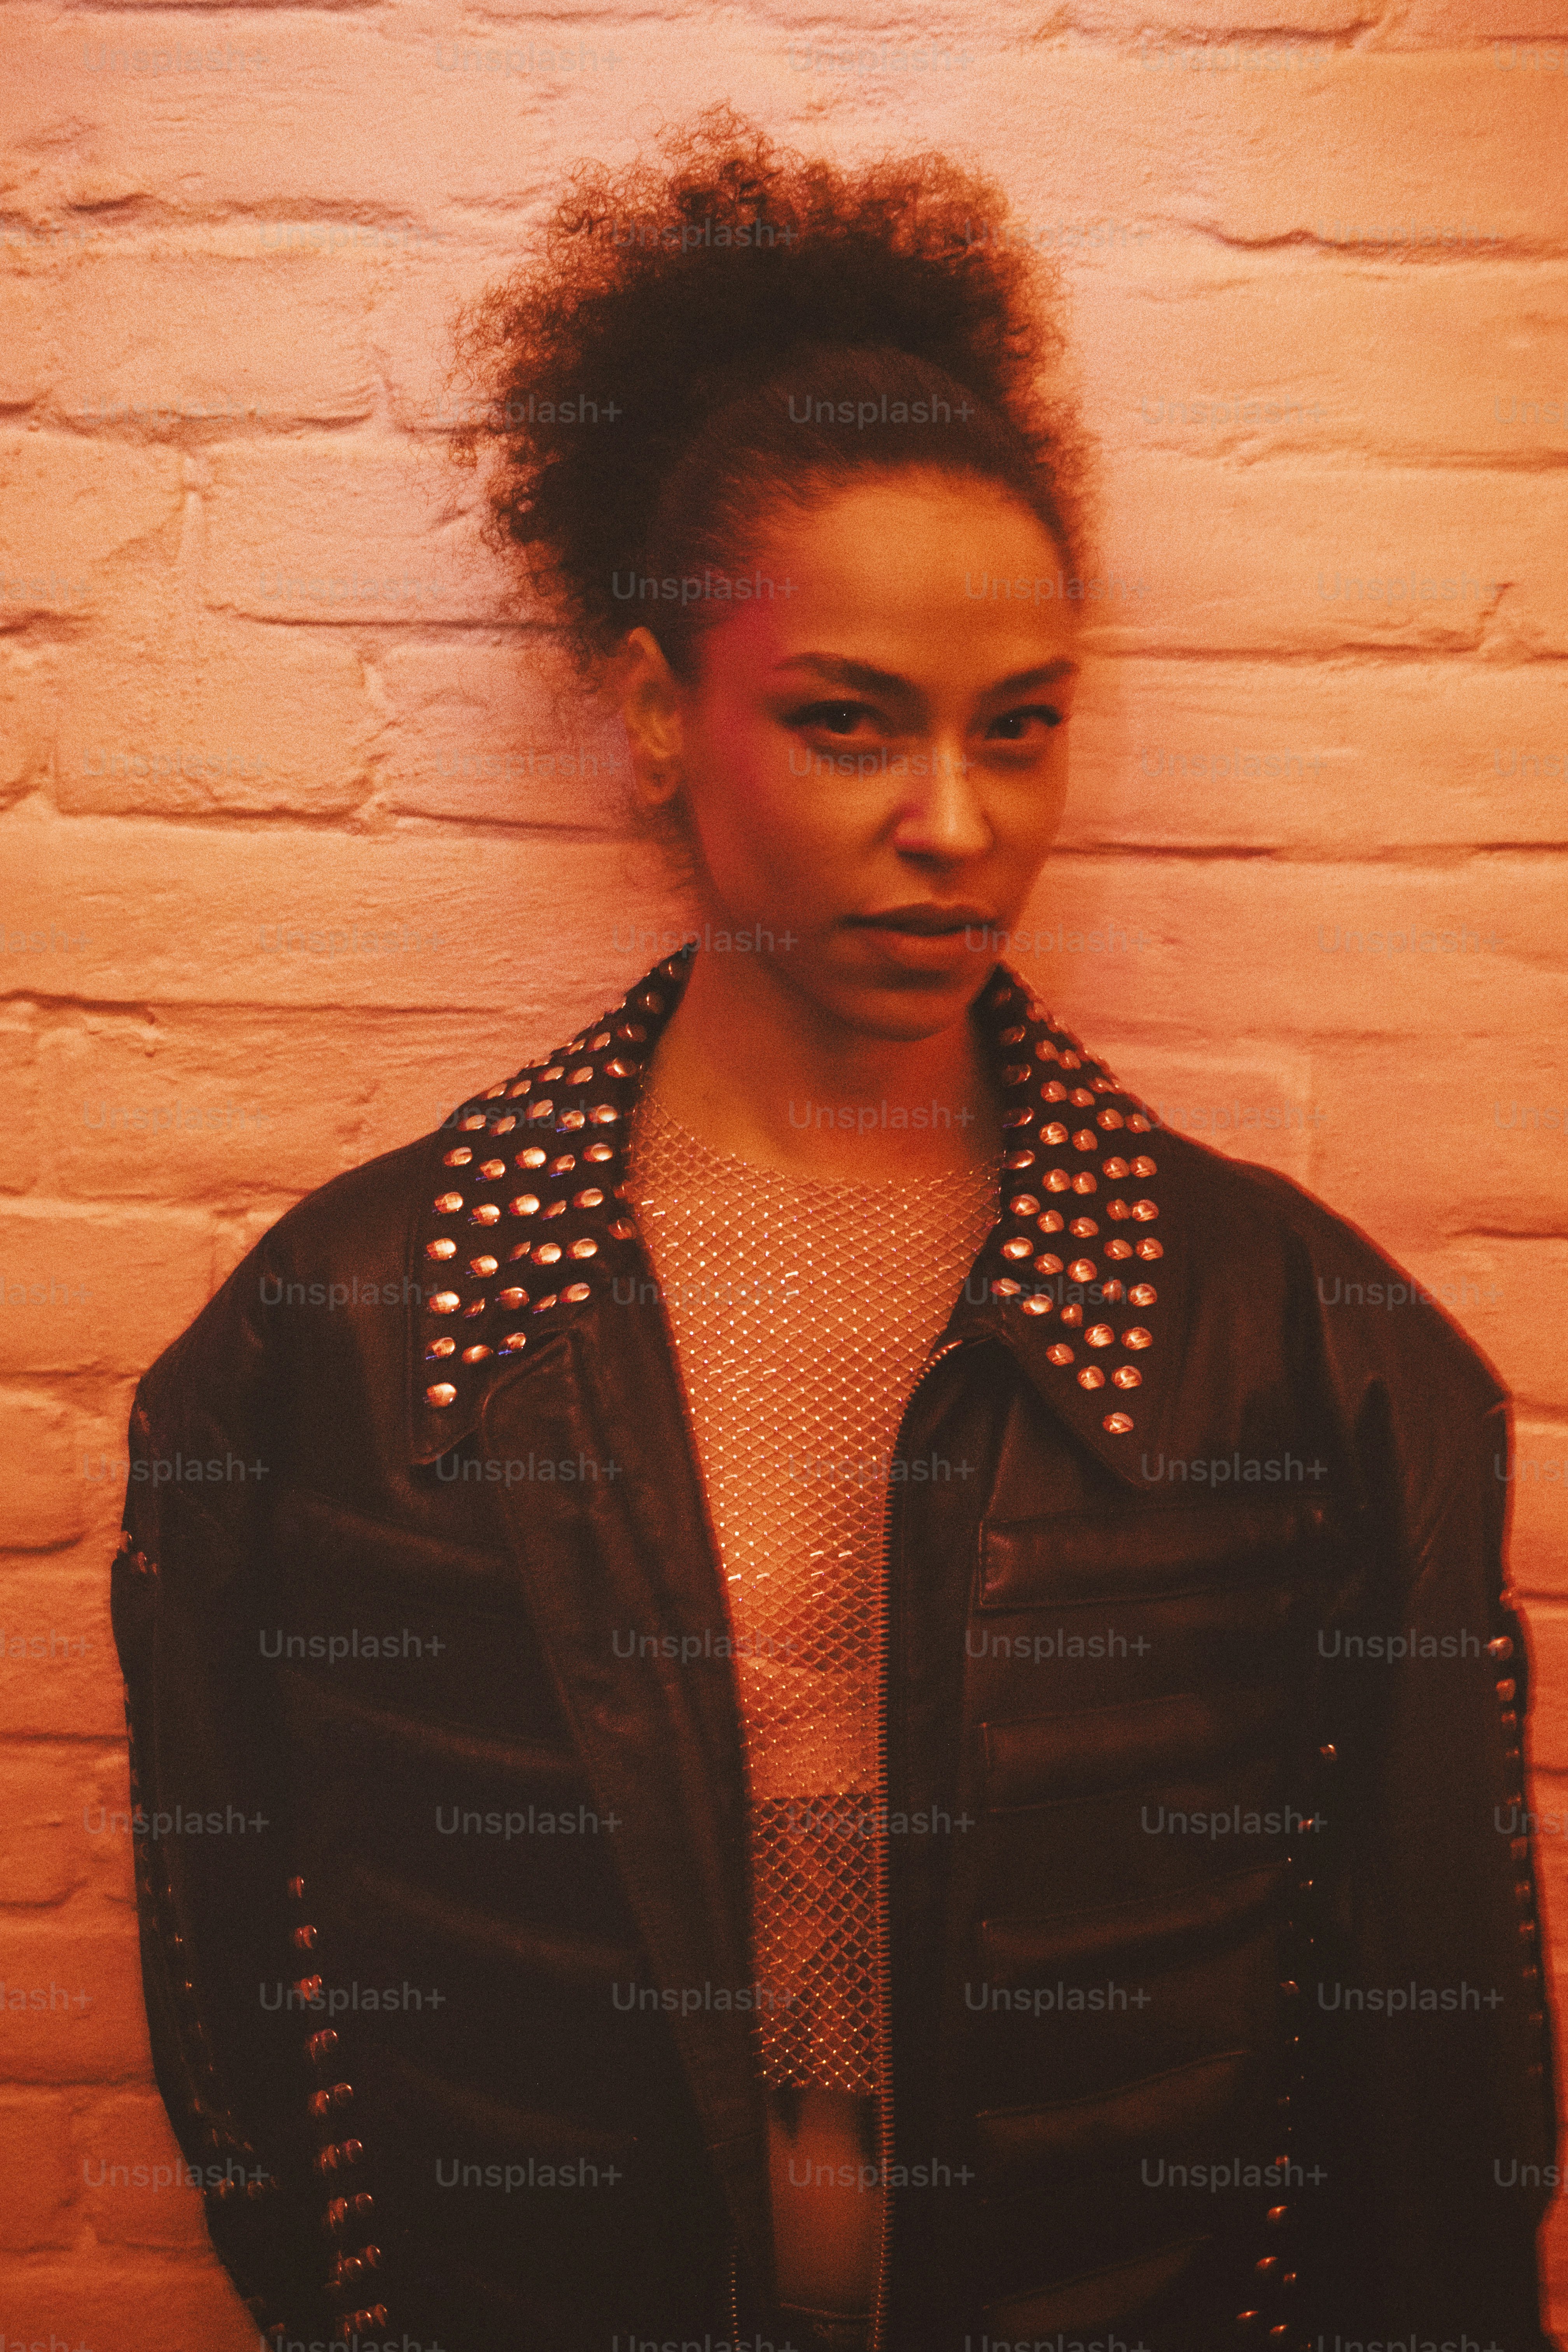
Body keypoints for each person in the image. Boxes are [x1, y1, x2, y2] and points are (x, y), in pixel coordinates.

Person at [112, 112, 1558, 2352]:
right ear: (656, 714)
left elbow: (1434, 2069)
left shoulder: (1304, 1346)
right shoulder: (355, 1333)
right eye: (849, 725)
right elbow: (241, 1973)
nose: (956, 826)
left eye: (1024, 730)